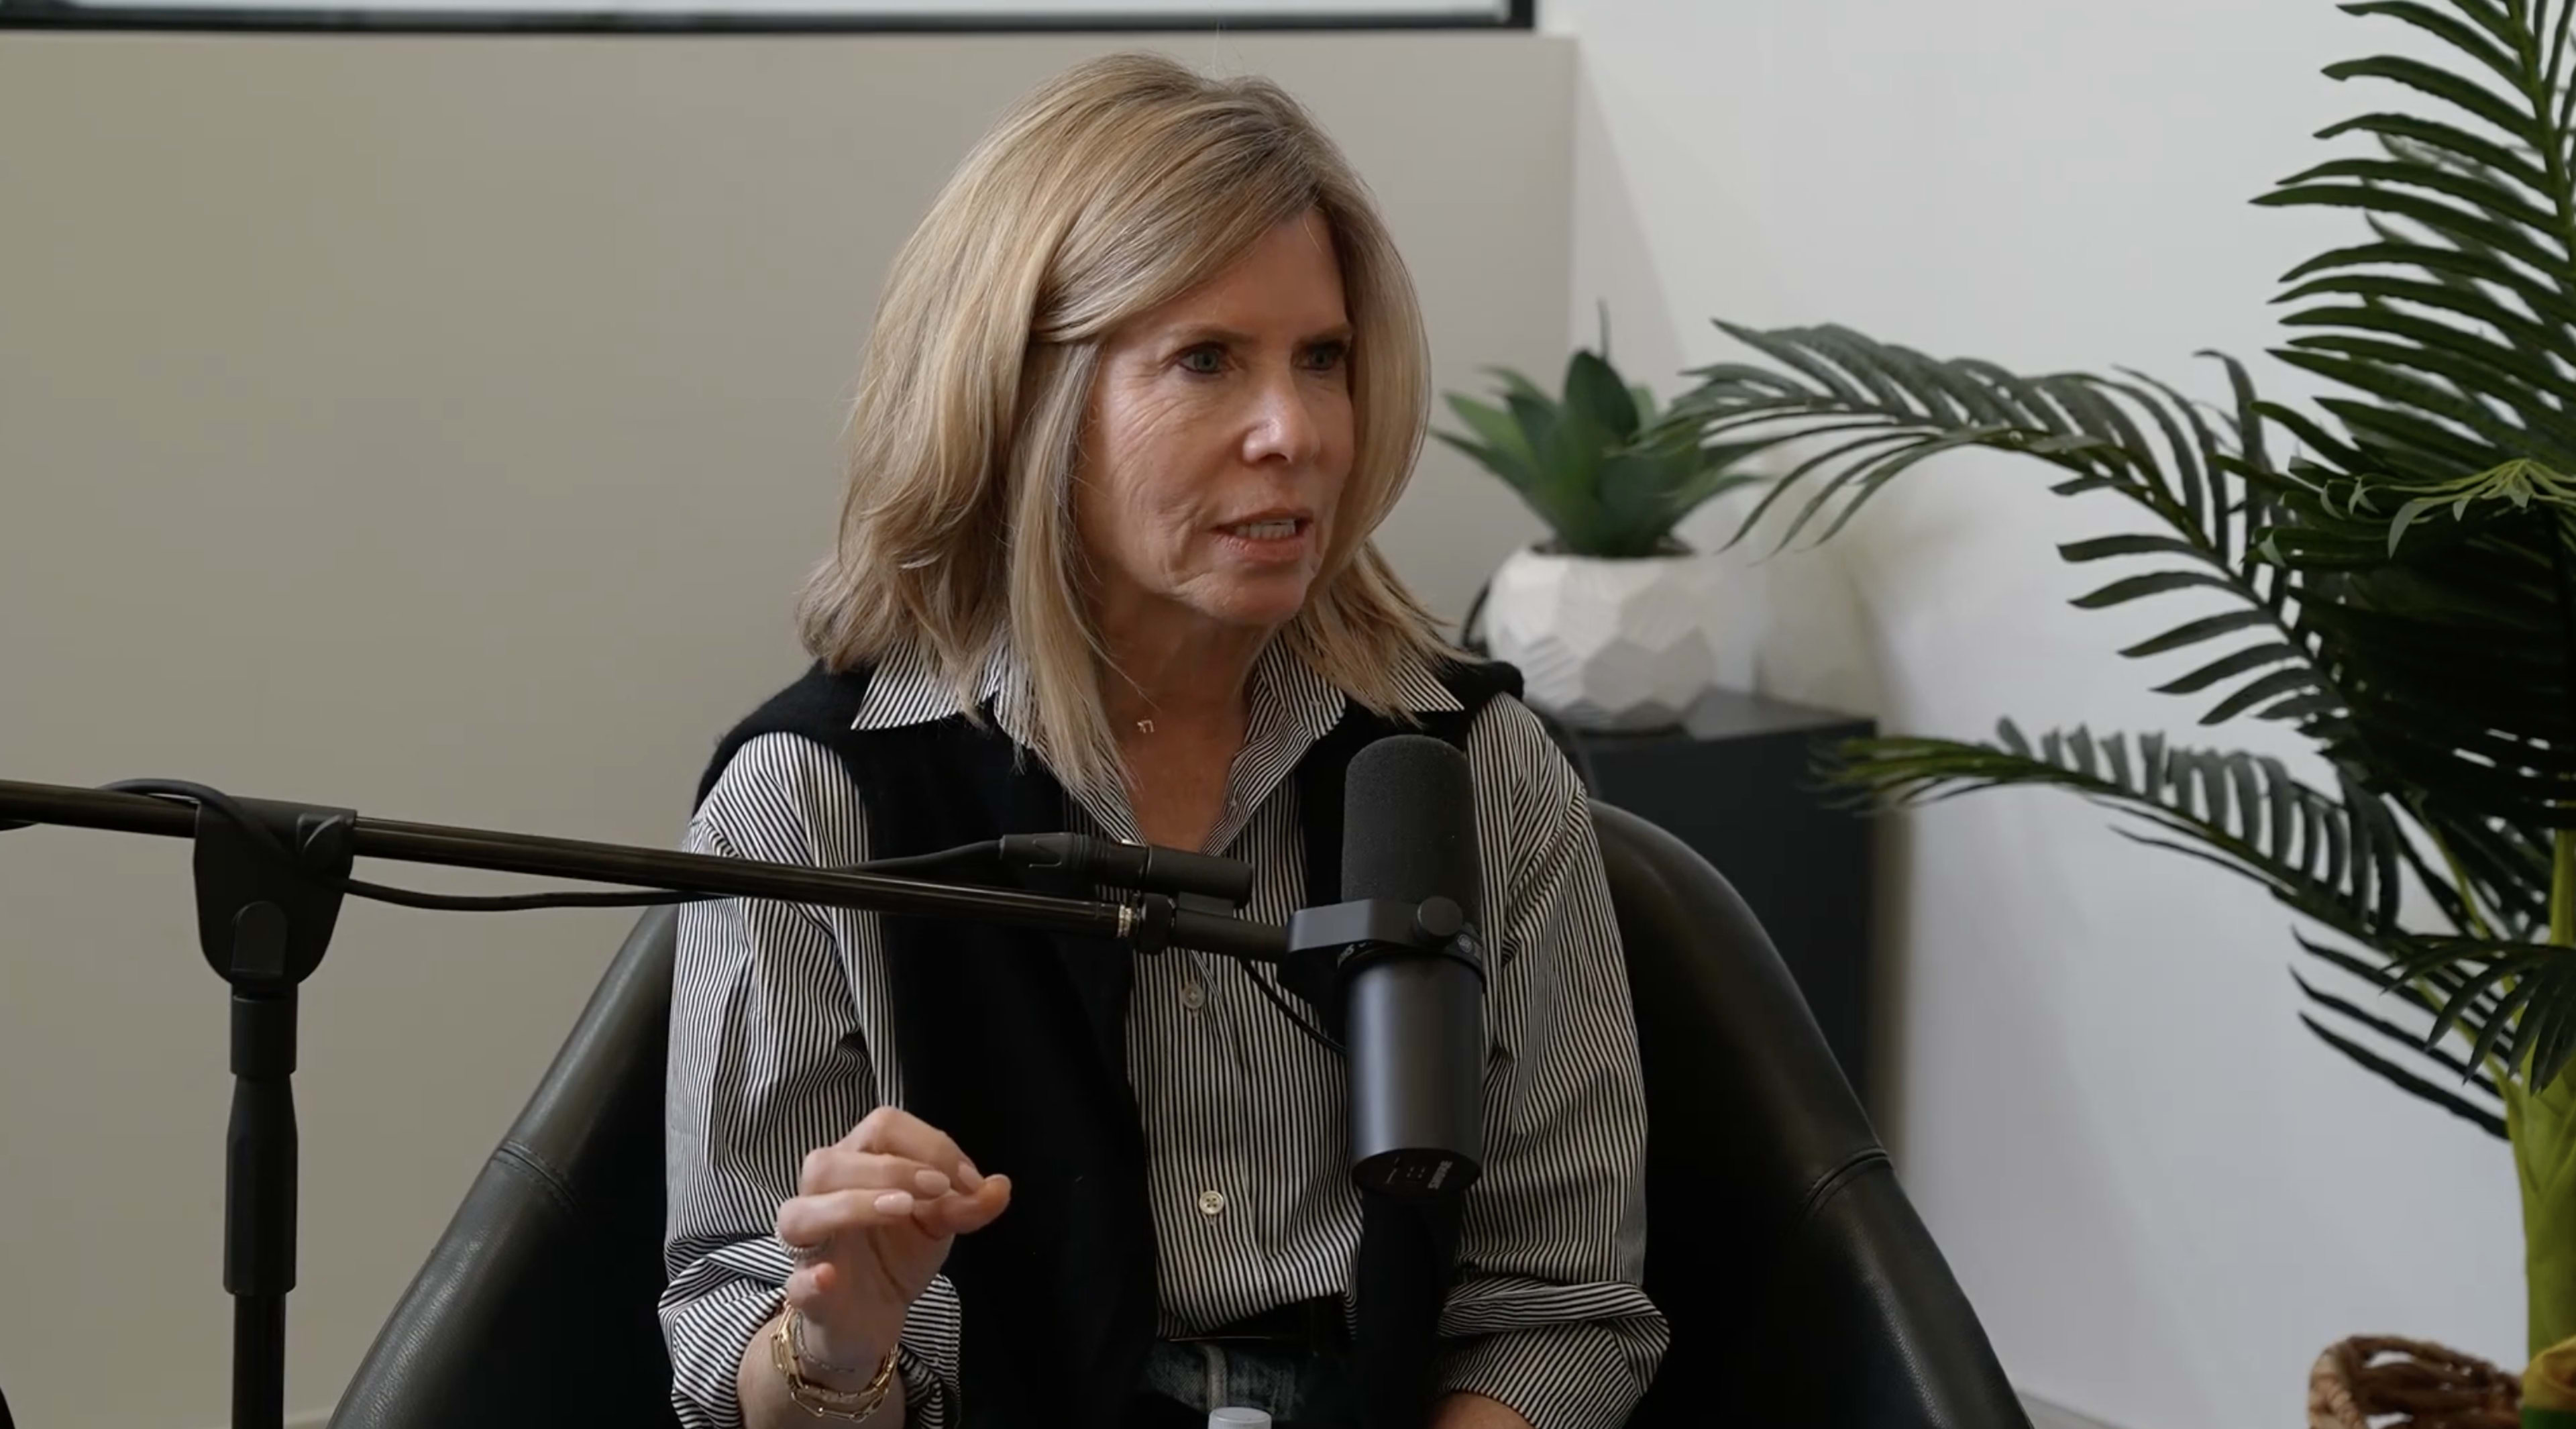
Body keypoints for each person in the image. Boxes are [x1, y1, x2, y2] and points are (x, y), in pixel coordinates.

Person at [661, 52, 1665, 1429]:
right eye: (1207, 360)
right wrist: (836, 1348)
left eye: (1323, 359)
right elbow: (739, 1361)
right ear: (1026, 395)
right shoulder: (813, 801)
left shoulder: (1476, 766)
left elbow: (1560, 1311)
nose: (1294, 431)